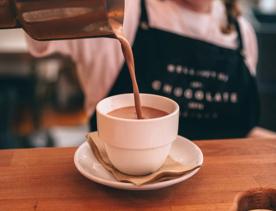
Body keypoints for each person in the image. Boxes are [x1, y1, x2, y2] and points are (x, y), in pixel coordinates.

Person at [26, 0, 276, 140]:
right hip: (123, 193)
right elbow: (38, 15)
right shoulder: (120, 12)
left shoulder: (243, 33)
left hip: (225, 194)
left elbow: (241, 132)